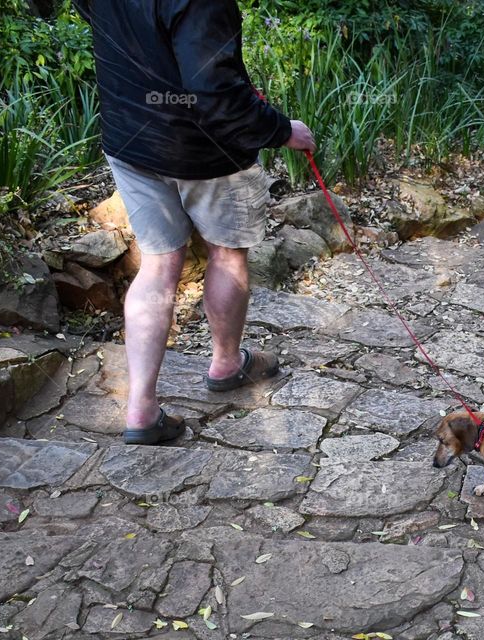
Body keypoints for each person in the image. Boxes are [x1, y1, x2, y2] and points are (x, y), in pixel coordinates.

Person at [71, 0, 316, 444]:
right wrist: (281, 130)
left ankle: (141, 410)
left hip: (130, 139)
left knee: (159, 263)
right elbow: (212, 89)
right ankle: (226, 364)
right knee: (226, 252)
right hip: (206, 150)